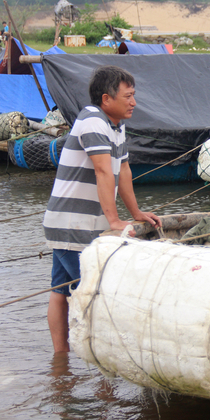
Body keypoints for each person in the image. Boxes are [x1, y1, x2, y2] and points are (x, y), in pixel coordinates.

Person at [43, 65, 161, 353]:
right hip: (73, 223)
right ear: (106, 99)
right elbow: (103, 171)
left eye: (134, 96)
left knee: (60, 291)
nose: (134, 102)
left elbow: (124, 171)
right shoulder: (93, 121)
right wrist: (114, 220)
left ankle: (61, 364)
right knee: (97, 293)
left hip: (76, 222)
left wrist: (135, 214)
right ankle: (103, 375)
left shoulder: (116, 125)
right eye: (128, 96)